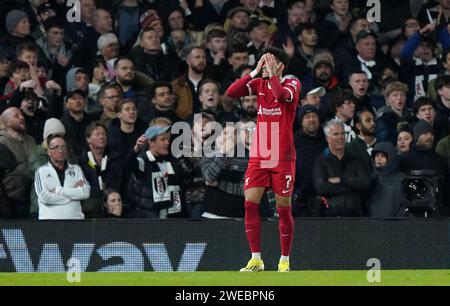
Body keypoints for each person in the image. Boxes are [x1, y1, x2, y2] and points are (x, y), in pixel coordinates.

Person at [226, 47, 301, 272]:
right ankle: (256, 259)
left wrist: (273, 74)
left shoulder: (292, 84)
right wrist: (254, 72)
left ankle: (284, 260)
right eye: (264, 61)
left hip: (283, 157)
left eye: (271, 62)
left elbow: (279, 96)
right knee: (250, 205)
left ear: (281, 66)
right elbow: (231, 93)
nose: (266, 66)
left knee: (283, 208)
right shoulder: (258, 84)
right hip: (260, 155)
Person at [313, 119, 371, 217]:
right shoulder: (321, 161)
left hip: (355, 217)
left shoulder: (356, 158)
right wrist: (352, 186)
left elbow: (365, 183)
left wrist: (342, 180)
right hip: (330, 218)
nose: (340, 137)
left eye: (342, 133)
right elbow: (322, 188)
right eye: (336, 134)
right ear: (327, 138)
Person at [126, 125, 185, 218]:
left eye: (167, 139)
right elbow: (128, 165)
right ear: (151, 142)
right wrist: (135, 149)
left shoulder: (171, 162)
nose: (167, 143)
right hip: (148, 220)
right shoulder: (143, 161)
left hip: (170, 218)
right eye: (163, 139)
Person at [34, 134, 90, 219]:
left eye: (63, 147)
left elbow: (86, 193)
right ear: (48, 151)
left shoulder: (76, 169)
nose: (60, 150)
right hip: (50, 225)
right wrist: (73, 194)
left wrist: (58, 190)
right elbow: (44, 197)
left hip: (75, 222)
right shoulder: (41, 171)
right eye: (56, 147)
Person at [0, 107, 36, 218]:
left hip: (33, 196)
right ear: (7, 123)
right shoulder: (1, 142)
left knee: (33, 233)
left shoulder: (30, 140)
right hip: (11, 199)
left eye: (21, 115)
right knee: (15, 234)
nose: (22, 118)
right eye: (16, 116)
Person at [293, 104, 327, 217]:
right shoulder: (292, 142)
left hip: (324, 199)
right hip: (299, 201)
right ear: (301, 122)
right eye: (307, 117)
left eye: (314, 116)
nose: (311, 119)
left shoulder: (327, 140)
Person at [366, 142, 404, 218]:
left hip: (395, 226)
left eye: (383, 156)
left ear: (391, 158)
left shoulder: (402, 179)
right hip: (371, 225)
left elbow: (403, 206)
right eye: (376, 155)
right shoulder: (369, 179)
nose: (379, 159)